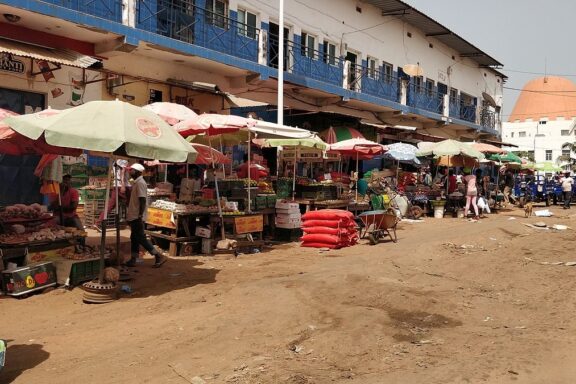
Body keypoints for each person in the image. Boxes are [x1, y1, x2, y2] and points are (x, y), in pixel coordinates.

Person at [125, 163, 167, 268]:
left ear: (137, 172)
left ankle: (158, 255)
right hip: (134, 215)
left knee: (140, 237)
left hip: (137, 216)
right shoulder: (137, 182)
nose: (130, 172)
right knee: (134, 237)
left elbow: (142, 200)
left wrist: (140, 215)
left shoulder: (140, 183)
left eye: (132, 170)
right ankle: (133, 259)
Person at [97, 159, 130, 226]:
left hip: (116, 185)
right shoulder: (123, 160)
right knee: (131, 203)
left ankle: (98, 222)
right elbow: (122, 171)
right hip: (122, 186)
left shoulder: (115, 161)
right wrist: (123, 184)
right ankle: (134, 221)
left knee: (110, 205)